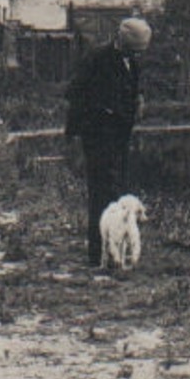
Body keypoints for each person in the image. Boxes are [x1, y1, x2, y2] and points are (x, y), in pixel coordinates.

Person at [65, 17, 152, 269]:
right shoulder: (97, 59)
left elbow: (133, 90)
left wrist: (139, 100)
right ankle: (97, 255)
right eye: (135, 49)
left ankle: (117, 254)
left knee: (118, 195)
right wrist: (75, 132)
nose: (137, 54)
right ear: (123, 42)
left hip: (120, 138)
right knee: (101, 196)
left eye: (140, 51)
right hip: (98, 137)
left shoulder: (132, 64)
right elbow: (74, 94)